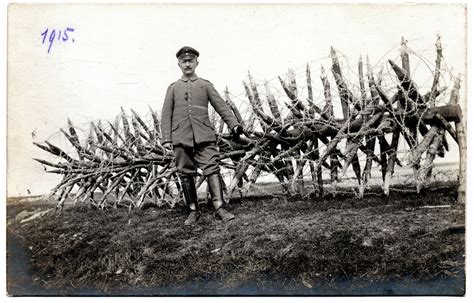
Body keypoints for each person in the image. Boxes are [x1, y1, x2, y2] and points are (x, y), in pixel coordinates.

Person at [161, 46, 243, 225]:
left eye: (191, 61)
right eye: (184, 61)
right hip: (180, 137)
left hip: (204, 135)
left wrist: (234, 124)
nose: (188, 64)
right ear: (179, 64)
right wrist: (167, 138)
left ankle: (219, 208)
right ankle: (193, 210)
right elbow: (166, 114)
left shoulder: (205, 85)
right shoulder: (173, 88)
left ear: (197, 62)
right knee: (185, 172)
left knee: (212, 168)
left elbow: (220, 105)